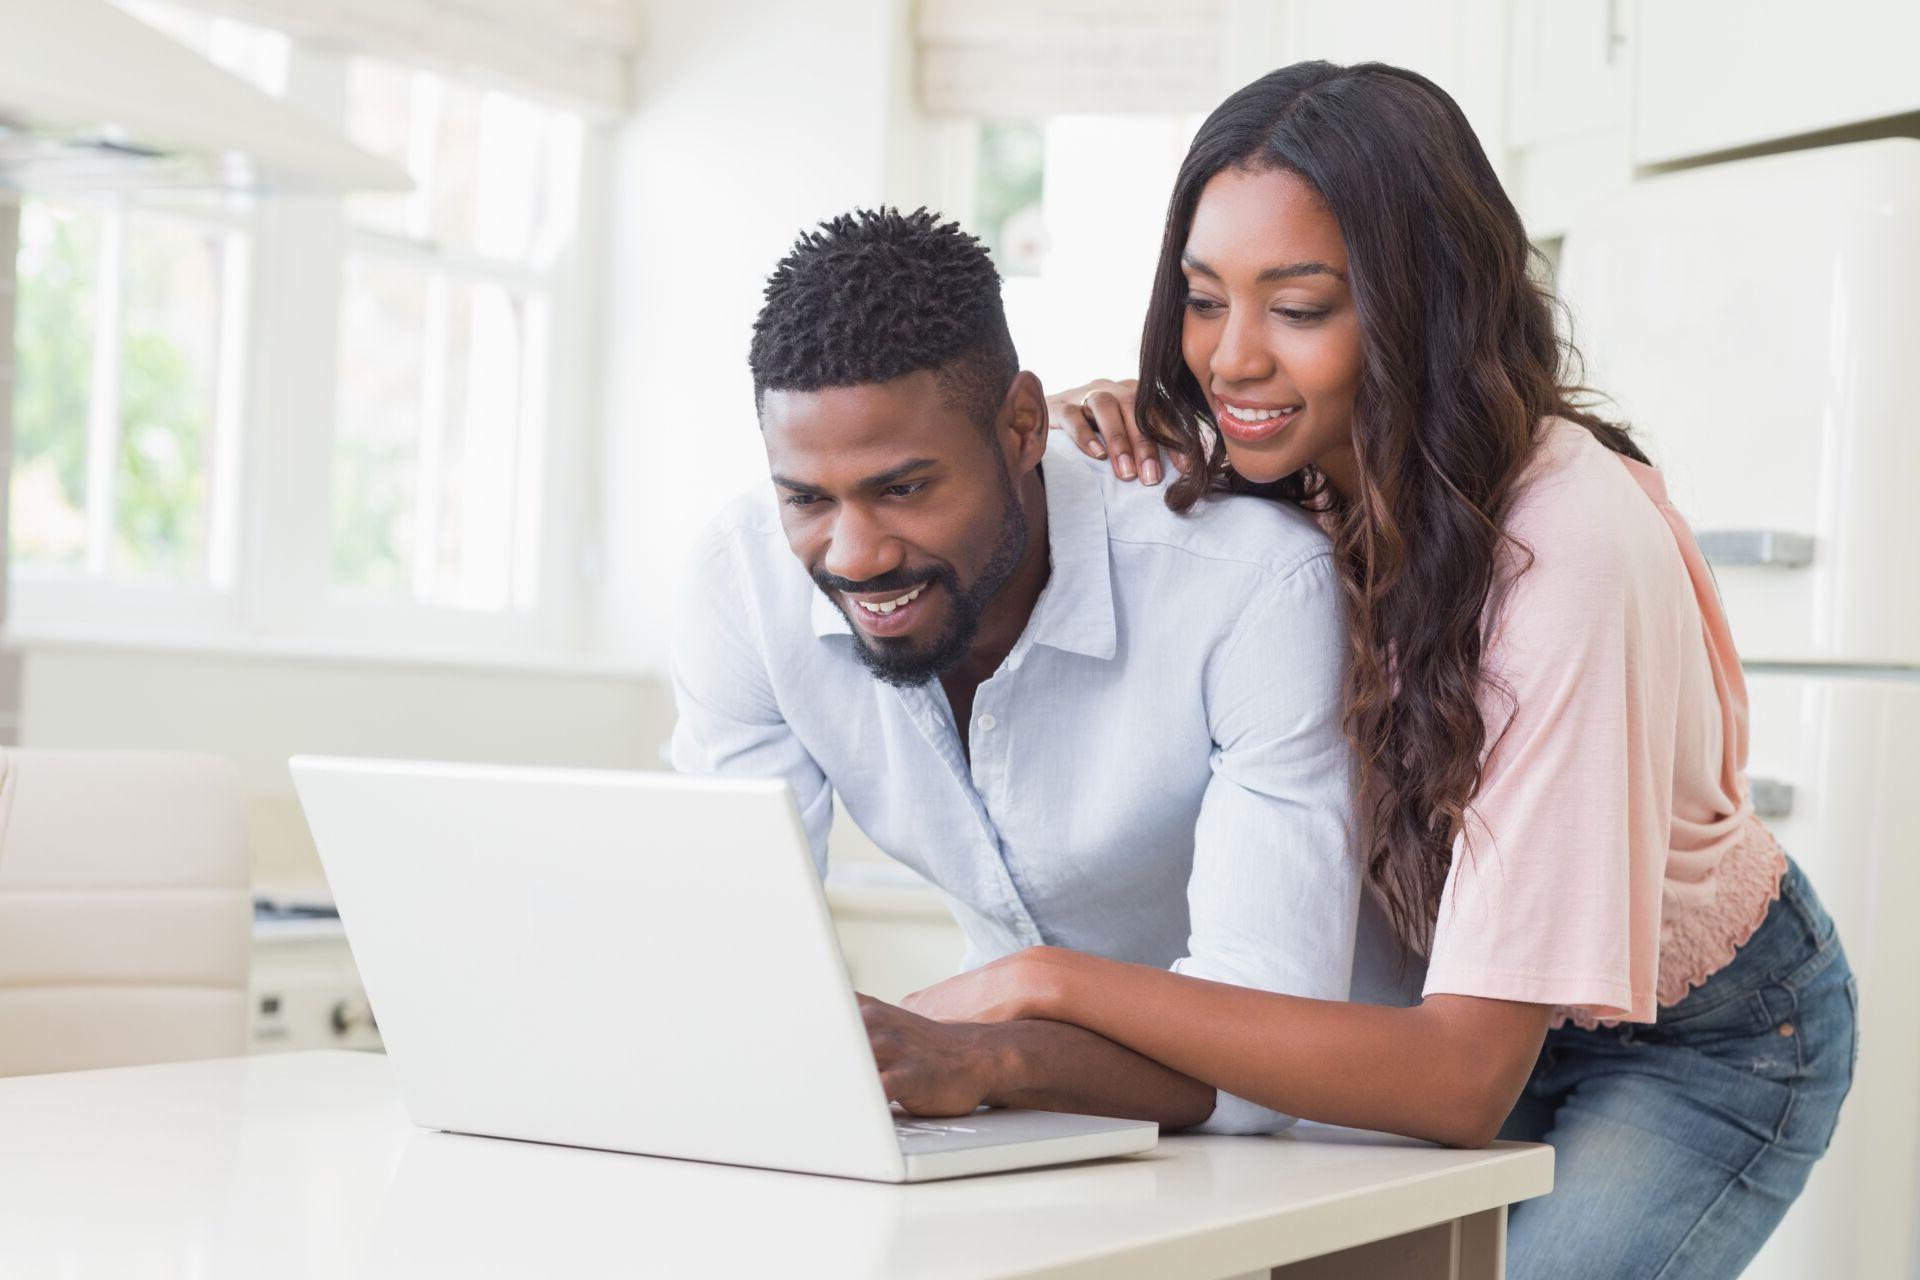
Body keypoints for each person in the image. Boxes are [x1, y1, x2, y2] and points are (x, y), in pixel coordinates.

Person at [899, 62, 1856, 1279]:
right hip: (1455, 1005)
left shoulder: (1562, 551)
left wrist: (1039, 987)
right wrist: (1102, 453)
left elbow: (1460, 1076)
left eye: (1297, 307)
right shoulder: (1293, 453)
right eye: (1203, 300)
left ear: (1423, 305)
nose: (1229, 359)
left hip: (1695, 1041)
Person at [670, 206, 1400, 1133]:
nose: (854, 556)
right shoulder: (741, 582)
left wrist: (997, 1055)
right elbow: (732, 956)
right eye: (808, 498)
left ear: (1022, 427)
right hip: (1031, 1125)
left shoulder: (1249, 584)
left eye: (904, 489)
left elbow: (1265, 1066)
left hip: (1339, 1150)